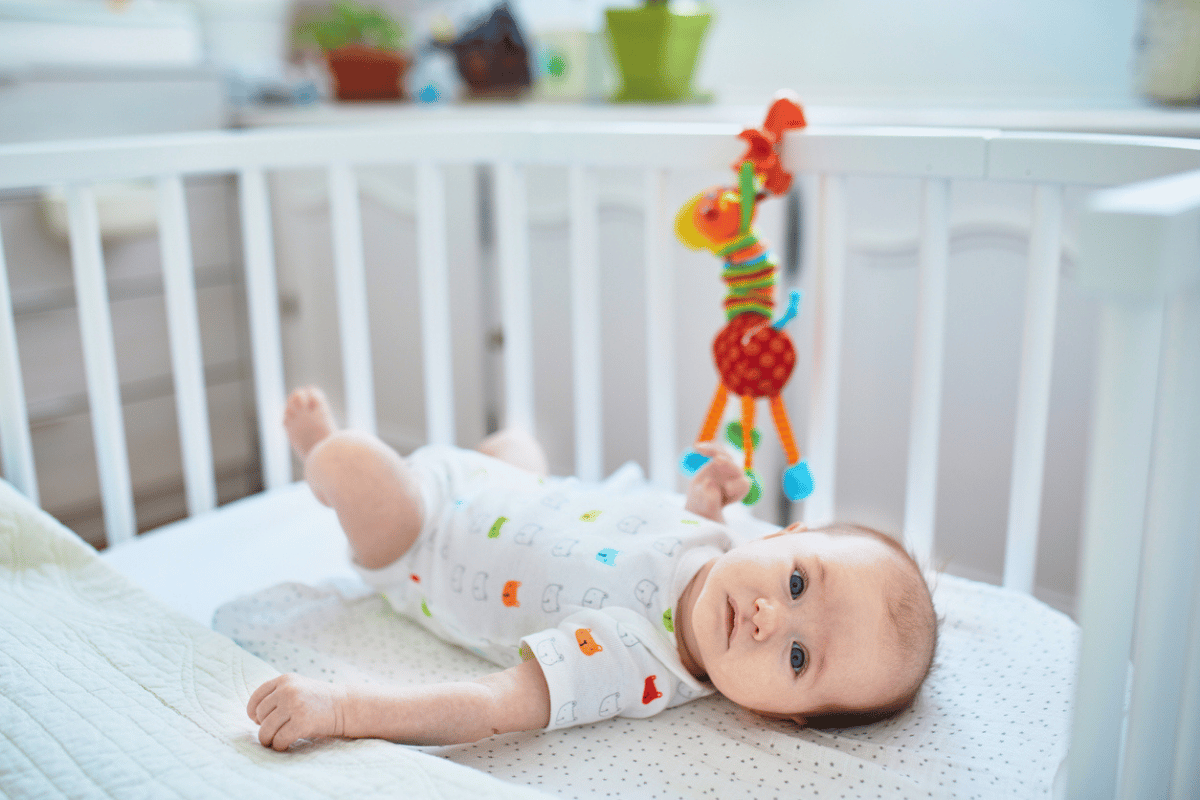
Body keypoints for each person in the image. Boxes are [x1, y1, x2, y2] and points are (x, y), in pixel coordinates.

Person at [247, 387, 937, 751]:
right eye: (796, 583)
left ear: (781, 718)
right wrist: (704, 502)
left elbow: (491, 706)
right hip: (505, 487)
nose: (767, 616)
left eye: (796, 656)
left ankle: (319, 462)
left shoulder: (634, 660)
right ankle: (369, 461)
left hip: (423, 539)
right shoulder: (719, 545)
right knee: (518, 442)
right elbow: (671, 537)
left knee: (350, 461)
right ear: (786, 534)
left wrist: (343, 710)